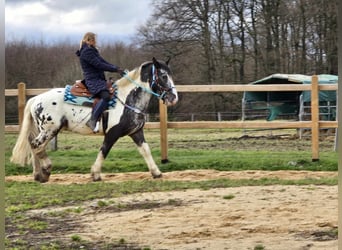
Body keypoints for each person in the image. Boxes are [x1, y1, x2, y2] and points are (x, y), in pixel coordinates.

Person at [76, 32, 127, 132]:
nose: (95, 42)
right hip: (93, 80)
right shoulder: (87, 52)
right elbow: (99, 65)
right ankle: (92, 120)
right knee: (106, 96)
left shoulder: (92, 51)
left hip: (98, 79)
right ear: (89, 40)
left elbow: (103, 62)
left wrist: (117, 68)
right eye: (94, 40)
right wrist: (115, 69)